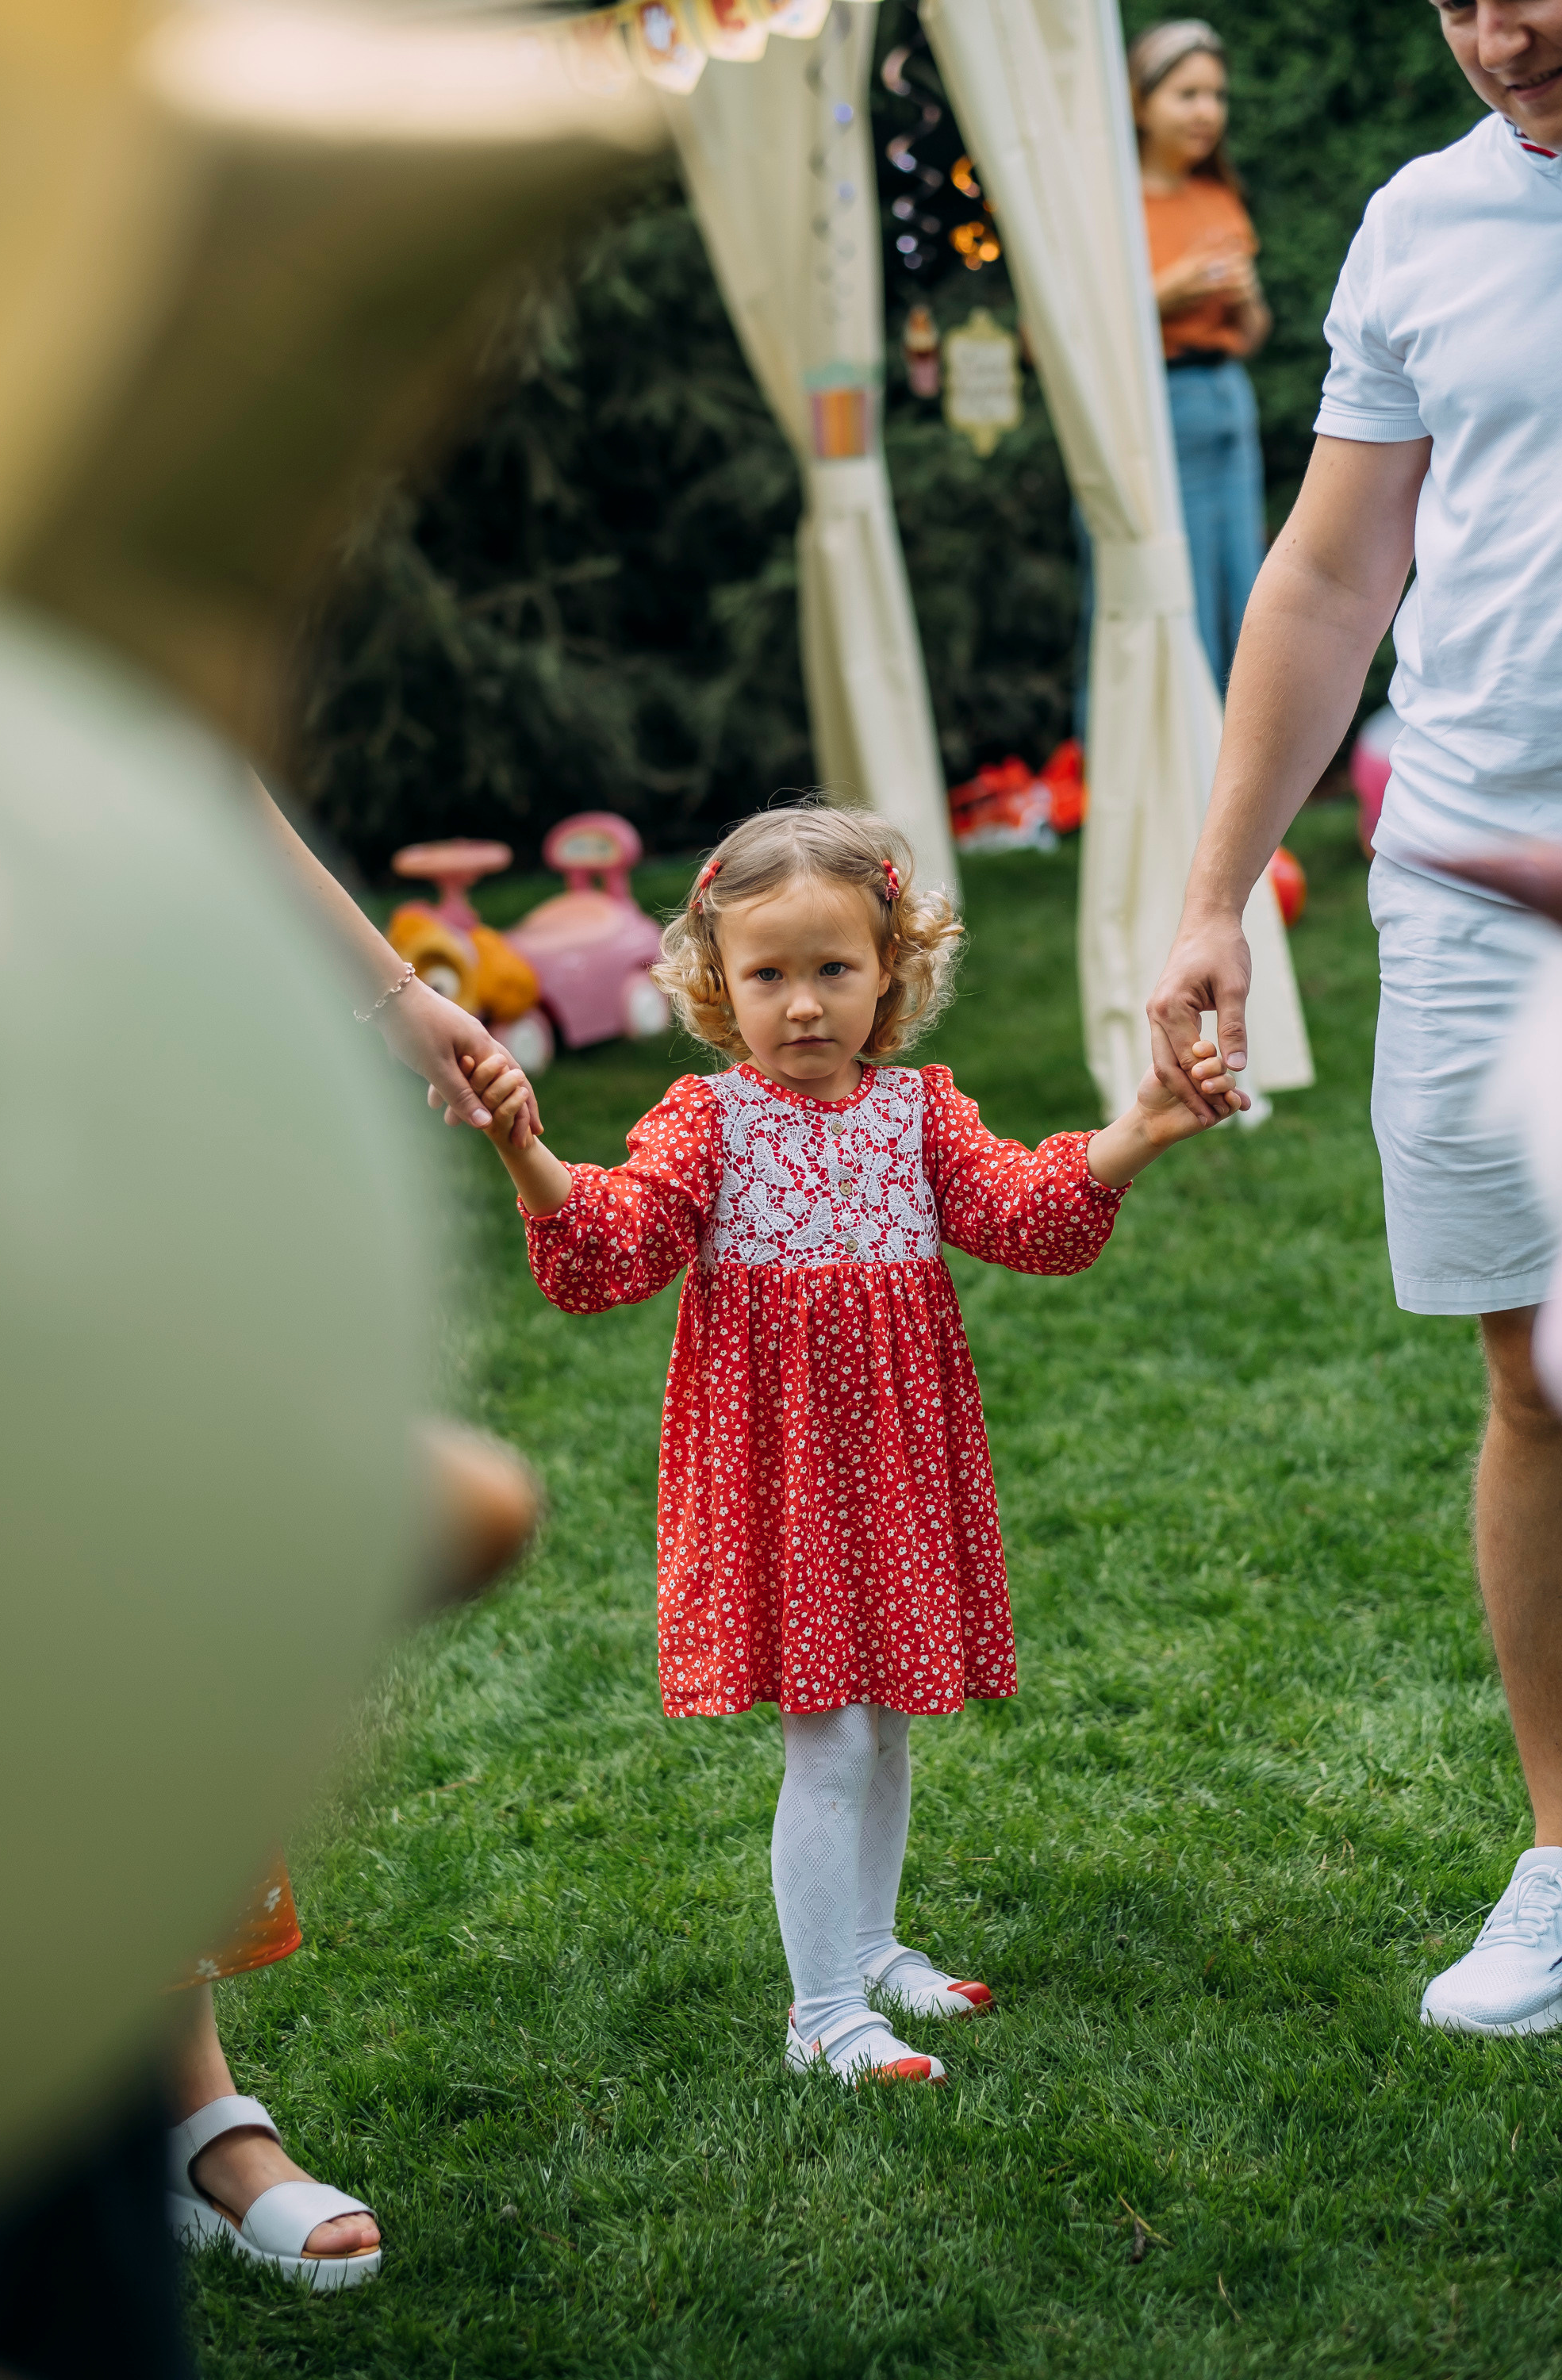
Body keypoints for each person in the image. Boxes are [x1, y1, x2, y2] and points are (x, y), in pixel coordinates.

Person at [464, 804, 1245, 2084]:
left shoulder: (916, 1114)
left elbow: (1023, 1212)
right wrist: (525, 1151)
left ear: (892, 971)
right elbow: (612, 1248)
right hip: (781, 1481)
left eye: (835, 968)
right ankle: (821, 2009)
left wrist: (1141, 1131)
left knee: (883, 1724)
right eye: (769, 974)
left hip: (896, 1466)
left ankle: (869, 1947)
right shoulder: (707, 1121)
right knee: (828, 1734)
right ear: (721, 984)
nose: (806, 1004)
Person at [1146, 0, 1562, 2035]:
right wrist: (1216, 893)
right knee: (1536, 1379)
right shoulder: (1418, 222)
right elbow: (1325, 577)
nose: (1505, 29)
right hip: (1475, 872)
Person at [1073, 21, 1269, 734]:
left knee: (1237, 587)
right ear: (1138, 102)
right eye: (1187, 94)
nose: (1206, 112)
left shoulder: (1217, 195)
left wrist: (1243, 298)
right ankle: (1146, 754)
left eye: (1216, 95)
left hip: (1225, 401)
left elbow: (1250, 336)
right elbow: (1059, 337)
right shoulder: (1106, 205)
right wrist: (1164, 295)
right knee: (1162, 590)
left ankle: (1229, 756)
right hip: (1149, 412)